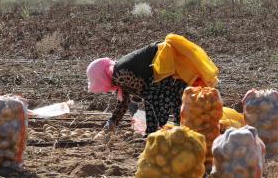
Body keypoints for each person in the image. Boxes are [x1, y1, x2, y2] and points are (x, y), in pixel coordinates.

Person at [87, 34, 219, 134]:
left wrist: (151, 130)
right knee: (176, 100)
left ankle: (172, 132)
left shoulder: (119, 74)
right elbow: (124, 102)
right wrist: (112, 123)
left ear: (100, 78)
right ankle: (183, 131)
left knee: (165, 98)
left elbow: (149, 93)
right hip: (164, 68)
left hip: (164, 65)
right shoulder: (118, 74)